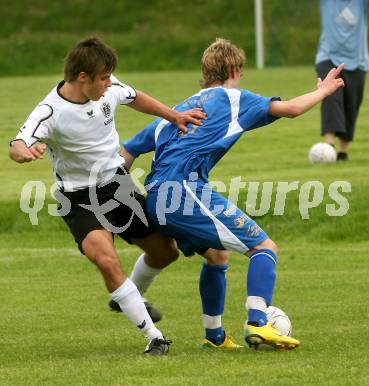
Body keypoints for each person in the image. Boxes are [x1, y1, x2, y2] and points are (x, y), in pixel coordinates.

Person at [115, 38, 344, 350]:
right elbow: (290, 109)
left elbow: (128, 153)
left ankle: (215, 336)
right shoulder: (234, 98)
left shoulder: (179, 108)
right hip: (183, 191)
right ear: (236, 69)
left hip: (156, 196)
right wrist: (324, 91)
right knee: (264, 247)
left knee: (217, 255)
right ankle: (258, 322)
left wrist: (111, 196)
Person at [8, 36, 205, 355]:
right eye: (103, 78)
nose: (109, 83)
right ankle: (153, 336)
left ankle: (127, 297)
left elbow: (135, 96)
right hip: (77, 198)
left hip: (117, 186)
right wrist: (26, 153)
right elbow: (17, 145)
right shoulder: (50, 111)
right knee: (107, 260)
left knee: (166, 253)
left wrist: (174, 115)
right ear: (82, 77)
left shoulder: (108, 88)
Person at [316, 0, 369, 160]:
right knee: (330, 96)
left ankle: (342, 152)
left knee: (351, 104)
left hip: (358, 61)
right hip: (328, 57)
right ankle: (329, 145)